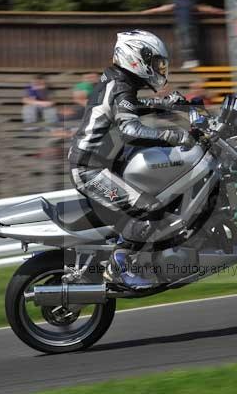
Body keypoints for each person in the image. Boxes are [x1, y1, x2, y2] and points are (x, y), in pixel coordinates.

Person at [68, 30, 195, 289]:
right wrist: (173, 136)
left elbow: (130, 109)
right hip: (90, 169)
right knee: (147, 210)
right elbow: (130, 129)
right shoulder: (119, 86)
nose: (159, 68)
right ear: (136, 57)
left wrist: (164, 105)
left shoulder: (120, 83)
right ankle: (118, 268)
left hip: (104, 163)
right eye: (155, 62)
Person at [143, 0, 225, 69]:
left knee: (188, 43)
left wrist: (219, 11)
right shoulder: (177, 2)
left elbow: (205, 9)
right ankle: (188, 61)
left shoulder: (189, 2)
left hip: (189, 25)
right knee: (184, 43)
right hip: (181, 25)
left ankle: (192, 60)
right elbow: (163, 8)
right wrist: (149, 11)